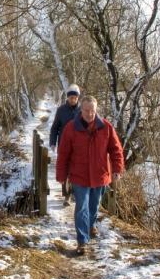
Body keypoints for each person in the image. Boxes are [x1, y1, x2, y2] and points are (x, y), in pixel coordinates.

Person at [55, 95, 124, 256]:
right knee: (82, 208)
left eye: (92, 110)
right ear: (81, 110)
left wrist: (117, 169)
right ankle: (82, 241)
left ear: (96, 110)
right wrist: (61, 176)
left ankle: (91, 225)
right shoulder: (71, 128)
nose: (89, 114)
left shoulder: (106, 127)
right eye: (86, 110)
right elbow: (63, 153)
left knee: (94, 206)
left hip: (100, 176)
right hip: (79, 176)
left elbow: (116, 150)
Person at [49, 84, 81, 206]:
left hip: (78, 146)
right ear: (67, 98)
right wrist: (52, 142)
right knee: (65, 169)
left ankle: (74, 192)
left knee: (76, 169)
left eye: (75, 97)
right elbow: (54, 128)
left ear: (78, 98)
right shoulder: (61, 110)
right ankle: (66, 196)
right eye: (71, 97)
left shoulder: (82, 110)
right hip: (63, 144)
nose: (73, 100)